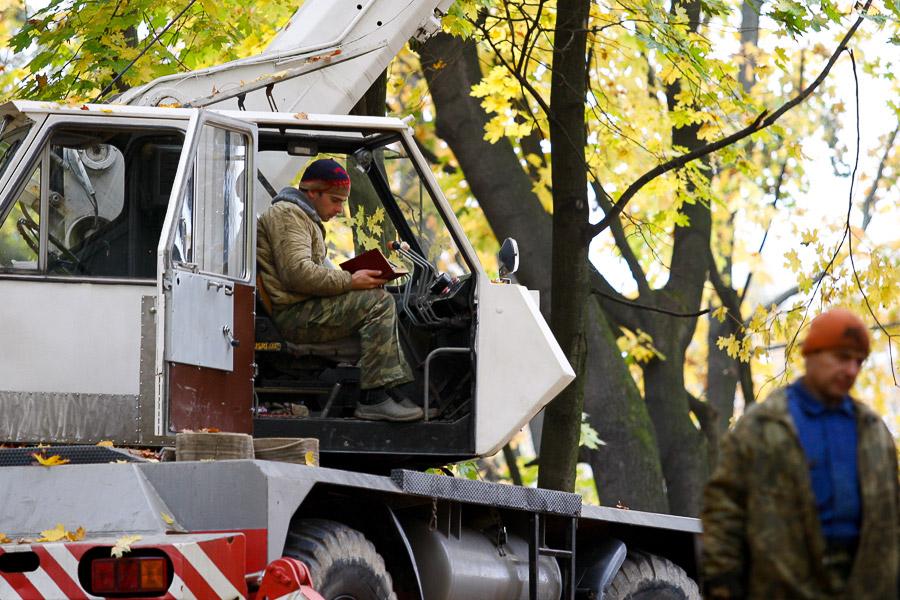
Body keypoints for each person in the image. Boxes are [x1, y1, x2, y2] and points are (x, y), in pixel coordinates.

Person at [701, 308, 898, 599]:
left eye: (859, 361)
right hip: (784, 587)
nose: (852, 371)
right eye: (842, 357)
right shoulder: (763, 426)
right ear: (811, 354)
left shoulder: (873, 430)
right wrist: (723, 586)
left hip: (865, 589)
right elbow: (723, 514)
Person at [256, 158, 422, 422]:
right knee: (379, 303)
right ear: (312, 192)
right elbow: (297, 274)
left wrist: (354, 279)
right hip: (293, 316)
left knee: (381, 301)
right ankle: (373, 400)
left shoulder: (301, 217)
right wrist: (350, 281)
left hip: (302, 308)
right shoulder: (289, 215)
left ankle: (393, 392)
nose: (339, 209)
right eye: (335, 200)